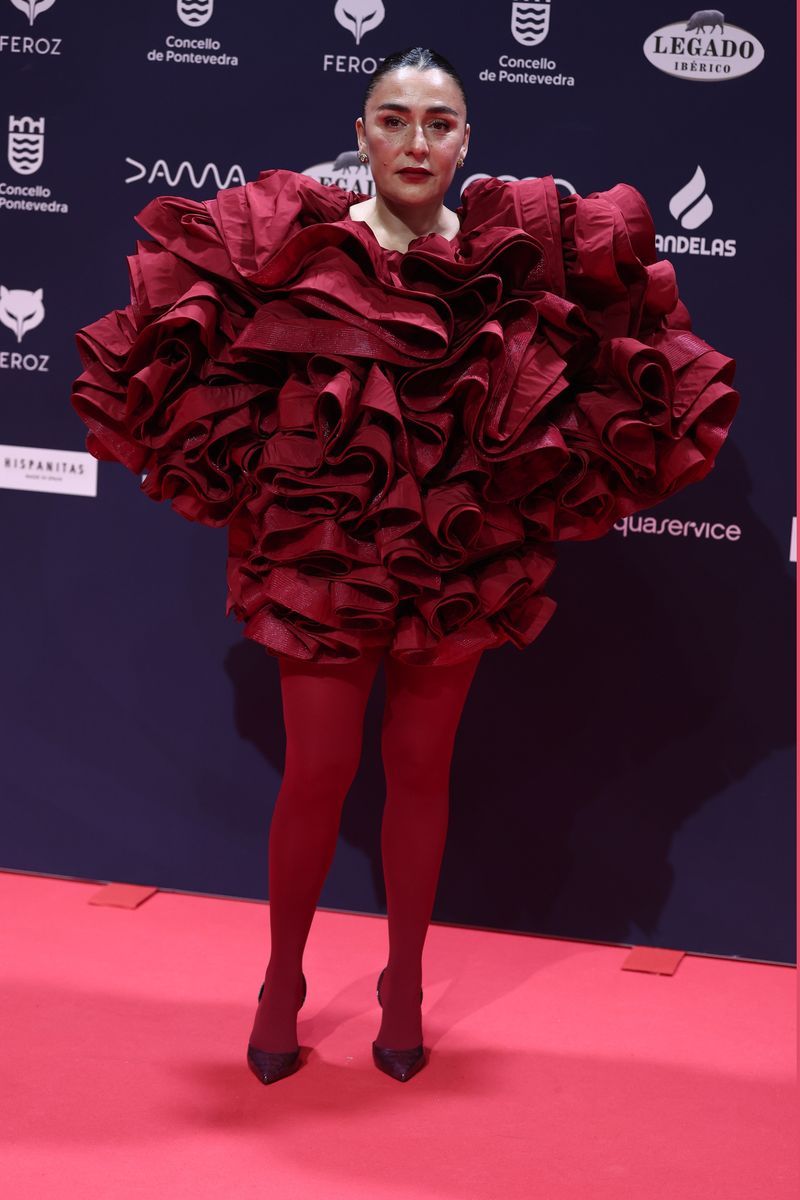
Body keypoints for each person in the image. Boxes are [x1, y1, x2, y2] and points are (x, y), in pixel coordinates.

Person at [70, 47, 739, 1086]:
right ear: (361, 134)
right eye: (393, 119)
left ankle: (405, 983)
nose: (415, 142)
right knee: (319, 771)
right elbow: (198, 363)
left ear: (466, 141)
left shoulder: (515, 262)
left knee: (421, 771)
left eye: (437, 123)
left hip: (458, 557)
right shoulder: (296, 249)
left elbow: (617, 362)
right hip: (323, 551)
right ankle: (282, 981)